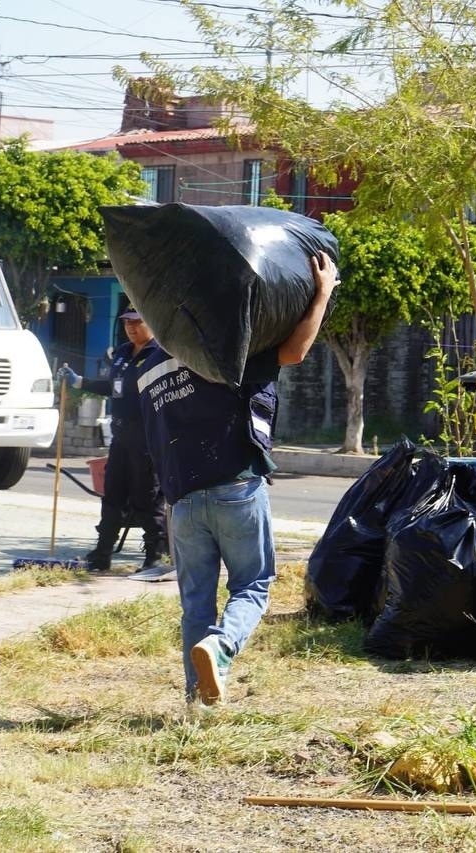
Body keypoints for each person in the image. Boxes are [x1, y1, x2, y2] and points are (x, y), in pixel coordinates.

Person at [136, 251, 339, 707]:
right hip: (235, 485)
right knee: (253, 584)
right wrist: (322, 293)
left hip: (181, 499)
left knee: (195, 602)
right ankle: (222, 647)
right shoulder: (226, 339)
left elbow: (152, 436)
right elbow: (295, 351)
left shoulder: (147, 365)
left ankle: (198, 700)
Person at [58, 309, 170, 579]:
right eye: (127, 323)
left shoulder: (161, 354)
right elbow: (113, 387)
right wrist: (79, 381)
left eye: (137, 322)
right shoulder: (122, 353)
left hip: (147, 439)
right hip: (121, 438)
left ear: (151, 323)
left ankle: (154, 556)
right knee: (113, 495)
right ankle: (102, 554)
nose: (131, 328)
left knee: (147, 498)